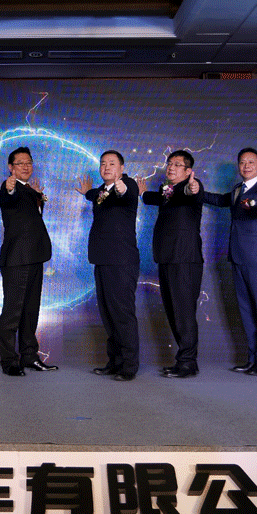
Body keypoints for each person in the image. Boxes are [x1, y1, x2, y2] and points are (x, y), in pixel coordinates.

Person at [198, 147, 257, 376]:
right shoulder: (237, 189)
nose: (246, 166)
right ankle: (252, 359)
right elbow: (220, 200)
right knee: (246, 311)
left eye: (251, 162)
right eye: (243, 162)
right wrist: (198, 191)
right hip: (237, 257)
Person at [77, 150, 140, 381]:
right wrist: (87, 192)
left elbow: (125, 193)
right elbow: (96, 194)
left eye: (112, 164)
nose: (106, 167)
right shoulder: (101, 191)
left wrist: (121, 188)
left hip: (121, 261)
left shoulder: (128, 185)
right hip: (102, 259)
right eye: (103, 163)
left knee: (122, 314)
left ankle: (129, 366)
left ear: (122, 168)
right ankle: (115, 362)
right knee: (108, 314)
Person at [141, 149, 205, 378]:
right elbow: (155, 198)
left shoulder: (191, 188)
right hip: (166, 257)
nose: (171, 167)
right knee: (173, 311)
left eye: (177, 164)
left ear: (188, 171)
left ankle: (187, 363)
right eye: (169, 163)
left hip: (184, 258)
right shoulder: (166, 190)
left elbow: (191, 191)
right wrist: (143, 193)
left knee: (184, 312)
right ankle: (185, 360)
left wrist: (193, 186)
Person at [0, 146, 56, 376]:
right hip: (17, 259)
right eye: (20, 163)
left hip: (35, 257)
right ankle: (9, 361)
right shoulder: (9, 187)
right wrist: (10, 187)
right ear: (10, 167)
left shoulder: (31, 191)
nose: (25, 166)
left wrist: (38, 197)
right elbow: (9, 196)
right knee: (13, 312)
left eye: (28, 162)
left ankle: (29, 356)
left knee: (31, 311)